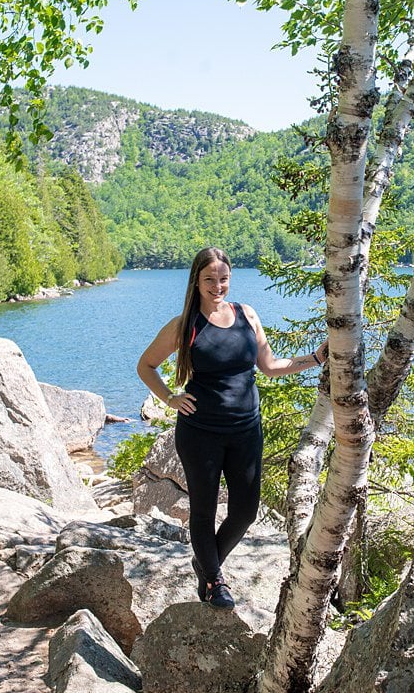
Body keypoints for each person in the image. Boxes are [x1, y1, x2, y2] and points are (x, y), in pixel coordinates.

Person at [137, 246, 327, 609]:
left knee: (245, 511)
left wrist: (315, 358)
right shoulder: (184, 326)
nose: (217, 286)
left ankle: (205, 563)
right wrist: (169, 398)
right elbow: (146, 365)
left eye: (223, 279)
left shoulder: (247, 315)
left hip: (245, 431)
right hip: (200, 433)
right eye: (210, 279)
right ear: (196, 280)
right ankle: (214, 581)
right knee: (204, 512)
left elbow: (270, 366)